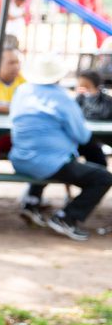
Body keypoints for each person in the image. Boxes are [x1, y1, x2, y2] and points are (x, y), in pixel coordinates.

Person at [11, 56, 112, 241]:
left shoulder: (22, 91)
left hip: (20, 158)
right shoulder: (62, 97)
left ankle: (32, 202)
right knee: (103, 177)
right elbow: (82, 135)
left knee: (52, 155)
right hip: (50, 162)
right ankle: (67, 217)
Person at [75, 70, 111, 166]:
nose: (81, 87)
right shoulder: (78, 99)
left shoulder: (106, 100)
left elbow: (103, 115)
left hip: (99, 137)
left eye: (85, 85)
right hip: (82, 138)